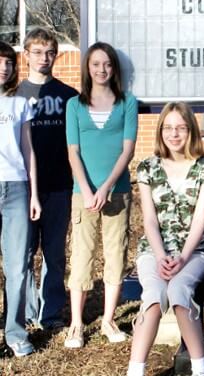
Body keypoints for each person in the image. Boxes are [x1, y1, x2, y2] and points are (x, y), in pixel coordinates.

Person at [127, 102, 204, 376]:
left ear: (191, 130)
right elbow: (150, 221)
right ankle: (135, 370)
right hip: (154, 250)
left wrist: (182, 258)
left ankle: (200, 369)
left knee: (178, 292)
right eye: (168, 128)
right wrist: (161, 255)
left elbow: (200, 220)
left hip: (193, 251)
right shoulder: (147, 168)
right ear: (160, 130)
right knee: (153, 296)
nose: (174, 134)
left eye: (181, 127)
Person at [64, 41, 138, 349]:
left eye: (107, 64)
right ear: (88, 68)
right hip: (83, 196)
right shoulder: (74, 105)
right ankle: (77, 324)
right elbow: (73, 152)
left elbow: (127, 150)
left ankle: (108, 320)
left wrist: (106, 187)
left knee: (116, 256)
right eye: (96, 64)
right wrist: (89, 189)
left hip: (117, 194)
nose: (102, 69)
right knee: (82, 257)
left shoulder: (127, 102)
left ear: (114, 68)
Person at [17, 28, 78, 330]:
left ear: (56, 55)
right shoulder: (15, 96)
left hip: (59, 186)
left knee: (54, 254)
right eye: (37, 52)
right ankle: (29, 312)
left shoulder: (69, 97)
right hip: (23, 189)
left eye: (49, 52)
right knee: (25, 253)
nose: (44, 57)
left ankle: (51, 313)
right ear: (26, 54)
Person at [0, 41, 41, 357]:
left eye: (8, 63)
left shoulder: (20, 103)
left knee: (17, 267)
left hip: (16, 191)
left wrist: (34, 194)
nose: (4, 67)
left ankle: (14, 332)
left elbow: (28, 150)